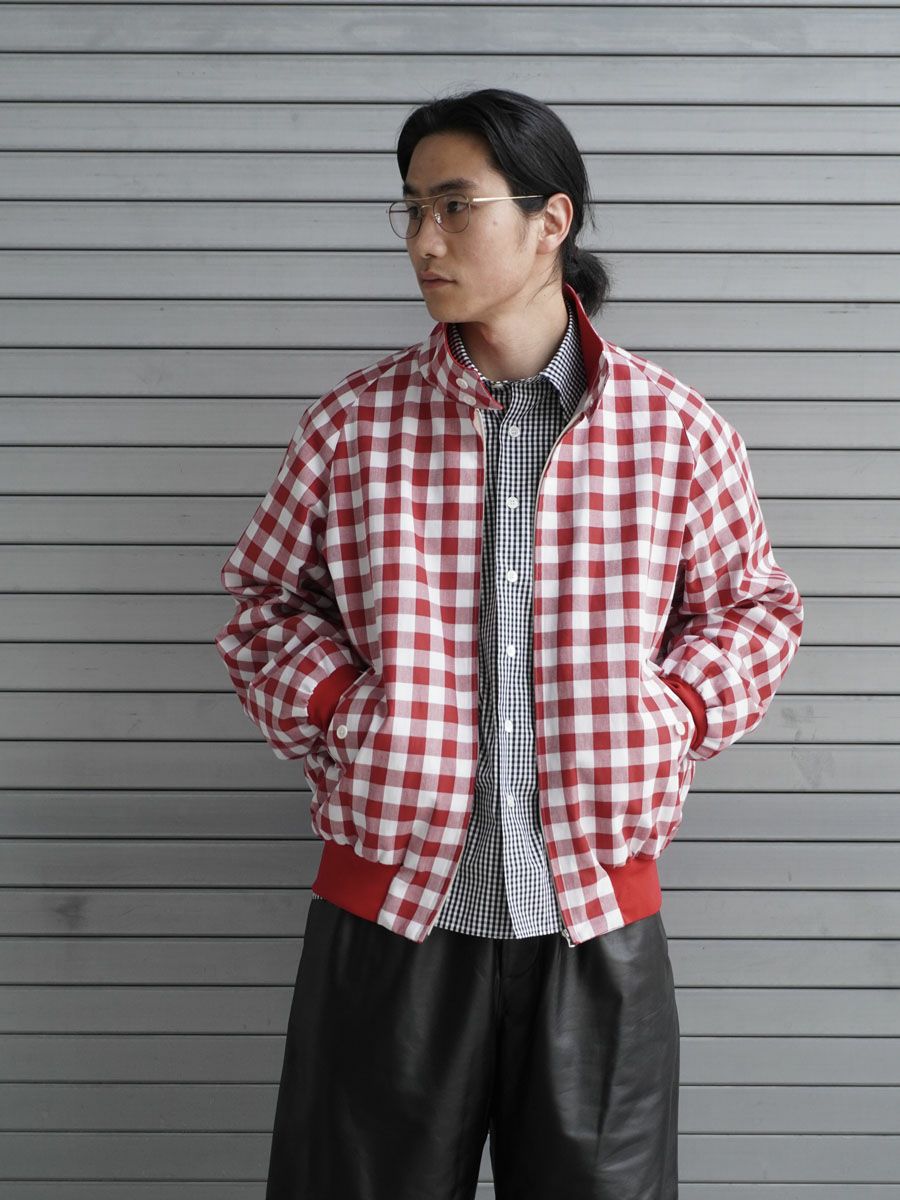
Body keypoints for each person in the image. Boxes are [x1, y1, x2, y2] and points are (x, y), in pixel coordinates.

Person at [214, 87, 803, 1200]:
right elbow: (262, 606)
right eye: (411, 209)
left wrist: (669, 715)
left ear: (550, 221)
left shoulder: (675, 431)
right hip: (390, 917)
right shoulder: (354, 426)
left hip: (594, 920)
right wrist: (349, 713)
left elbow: (754, 611)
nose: (423, 241)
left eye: (455, 205)